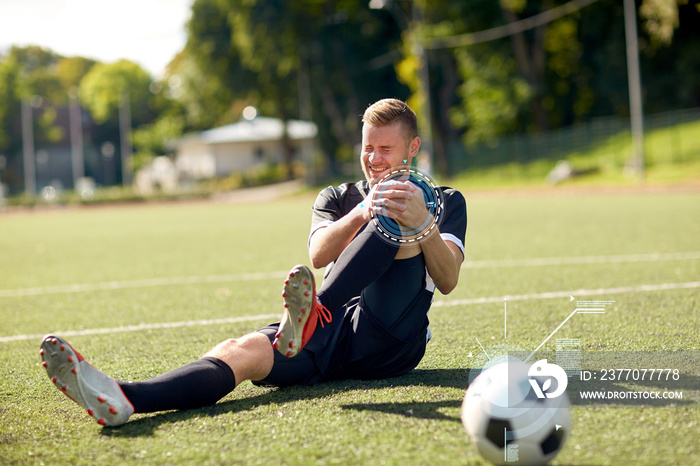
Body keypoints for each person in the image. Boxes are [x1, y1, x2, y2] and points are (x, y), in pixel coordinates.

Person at [39, 98, 467, 427]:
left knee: (400, 216)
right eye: (367, 148)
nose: (374, 160)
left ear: (412, 147)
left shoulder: (447, 200)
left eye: (385, 149)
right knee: (241, 352)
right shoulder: (336, 197)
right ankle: (124, 397)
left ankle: (312, 316)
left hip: (389, 337)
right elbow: (318, 254)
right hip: (329, 333)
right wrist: (362, 211)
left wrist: (425, 226)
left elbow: (447, 280)